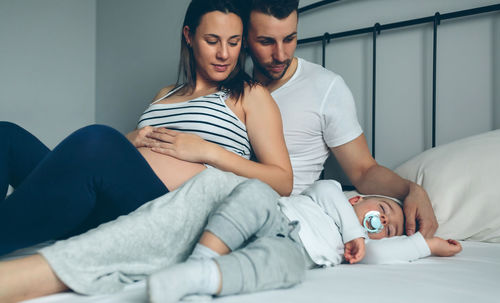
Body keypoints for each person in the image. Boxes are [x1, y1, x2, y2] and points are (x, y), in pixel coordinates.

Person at [0, 0, 292, 256]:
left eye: (234, 41)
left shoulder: (250, 95)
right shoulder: (164, 94)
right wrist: (128, 140)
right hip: (110, 201)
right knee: (6, 136)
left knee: (96, 139)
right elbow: (128, 162)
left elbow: (282, 181)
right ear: (189, 36)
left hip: (168, 212)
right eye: (212, 40)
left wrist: (207, 151)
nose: (225, 54)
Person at [0, 168, 461, 302]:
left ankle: (203, 278)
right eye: (383, 214)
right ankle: (204, 254)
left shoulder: (359, 249)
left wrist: (423, 244)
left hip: (294, 249)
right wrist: (356, 220)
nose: (384, 227)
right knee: (252, 194)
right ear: (360, 200)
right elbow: (329, 189)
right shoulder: (333, 197)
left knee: (283, 270)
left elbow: (383, 257)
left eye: (391, 231)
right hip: (272, 213)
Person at [244, 0, 438, 237]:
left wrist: (412, 190)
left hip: (282, 221)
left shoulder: (325, 88)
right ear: (244, 35)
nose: (281, 54)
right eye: (266, 42)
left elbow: (363, 171)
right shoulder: (225, 79)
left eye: (290, 38)